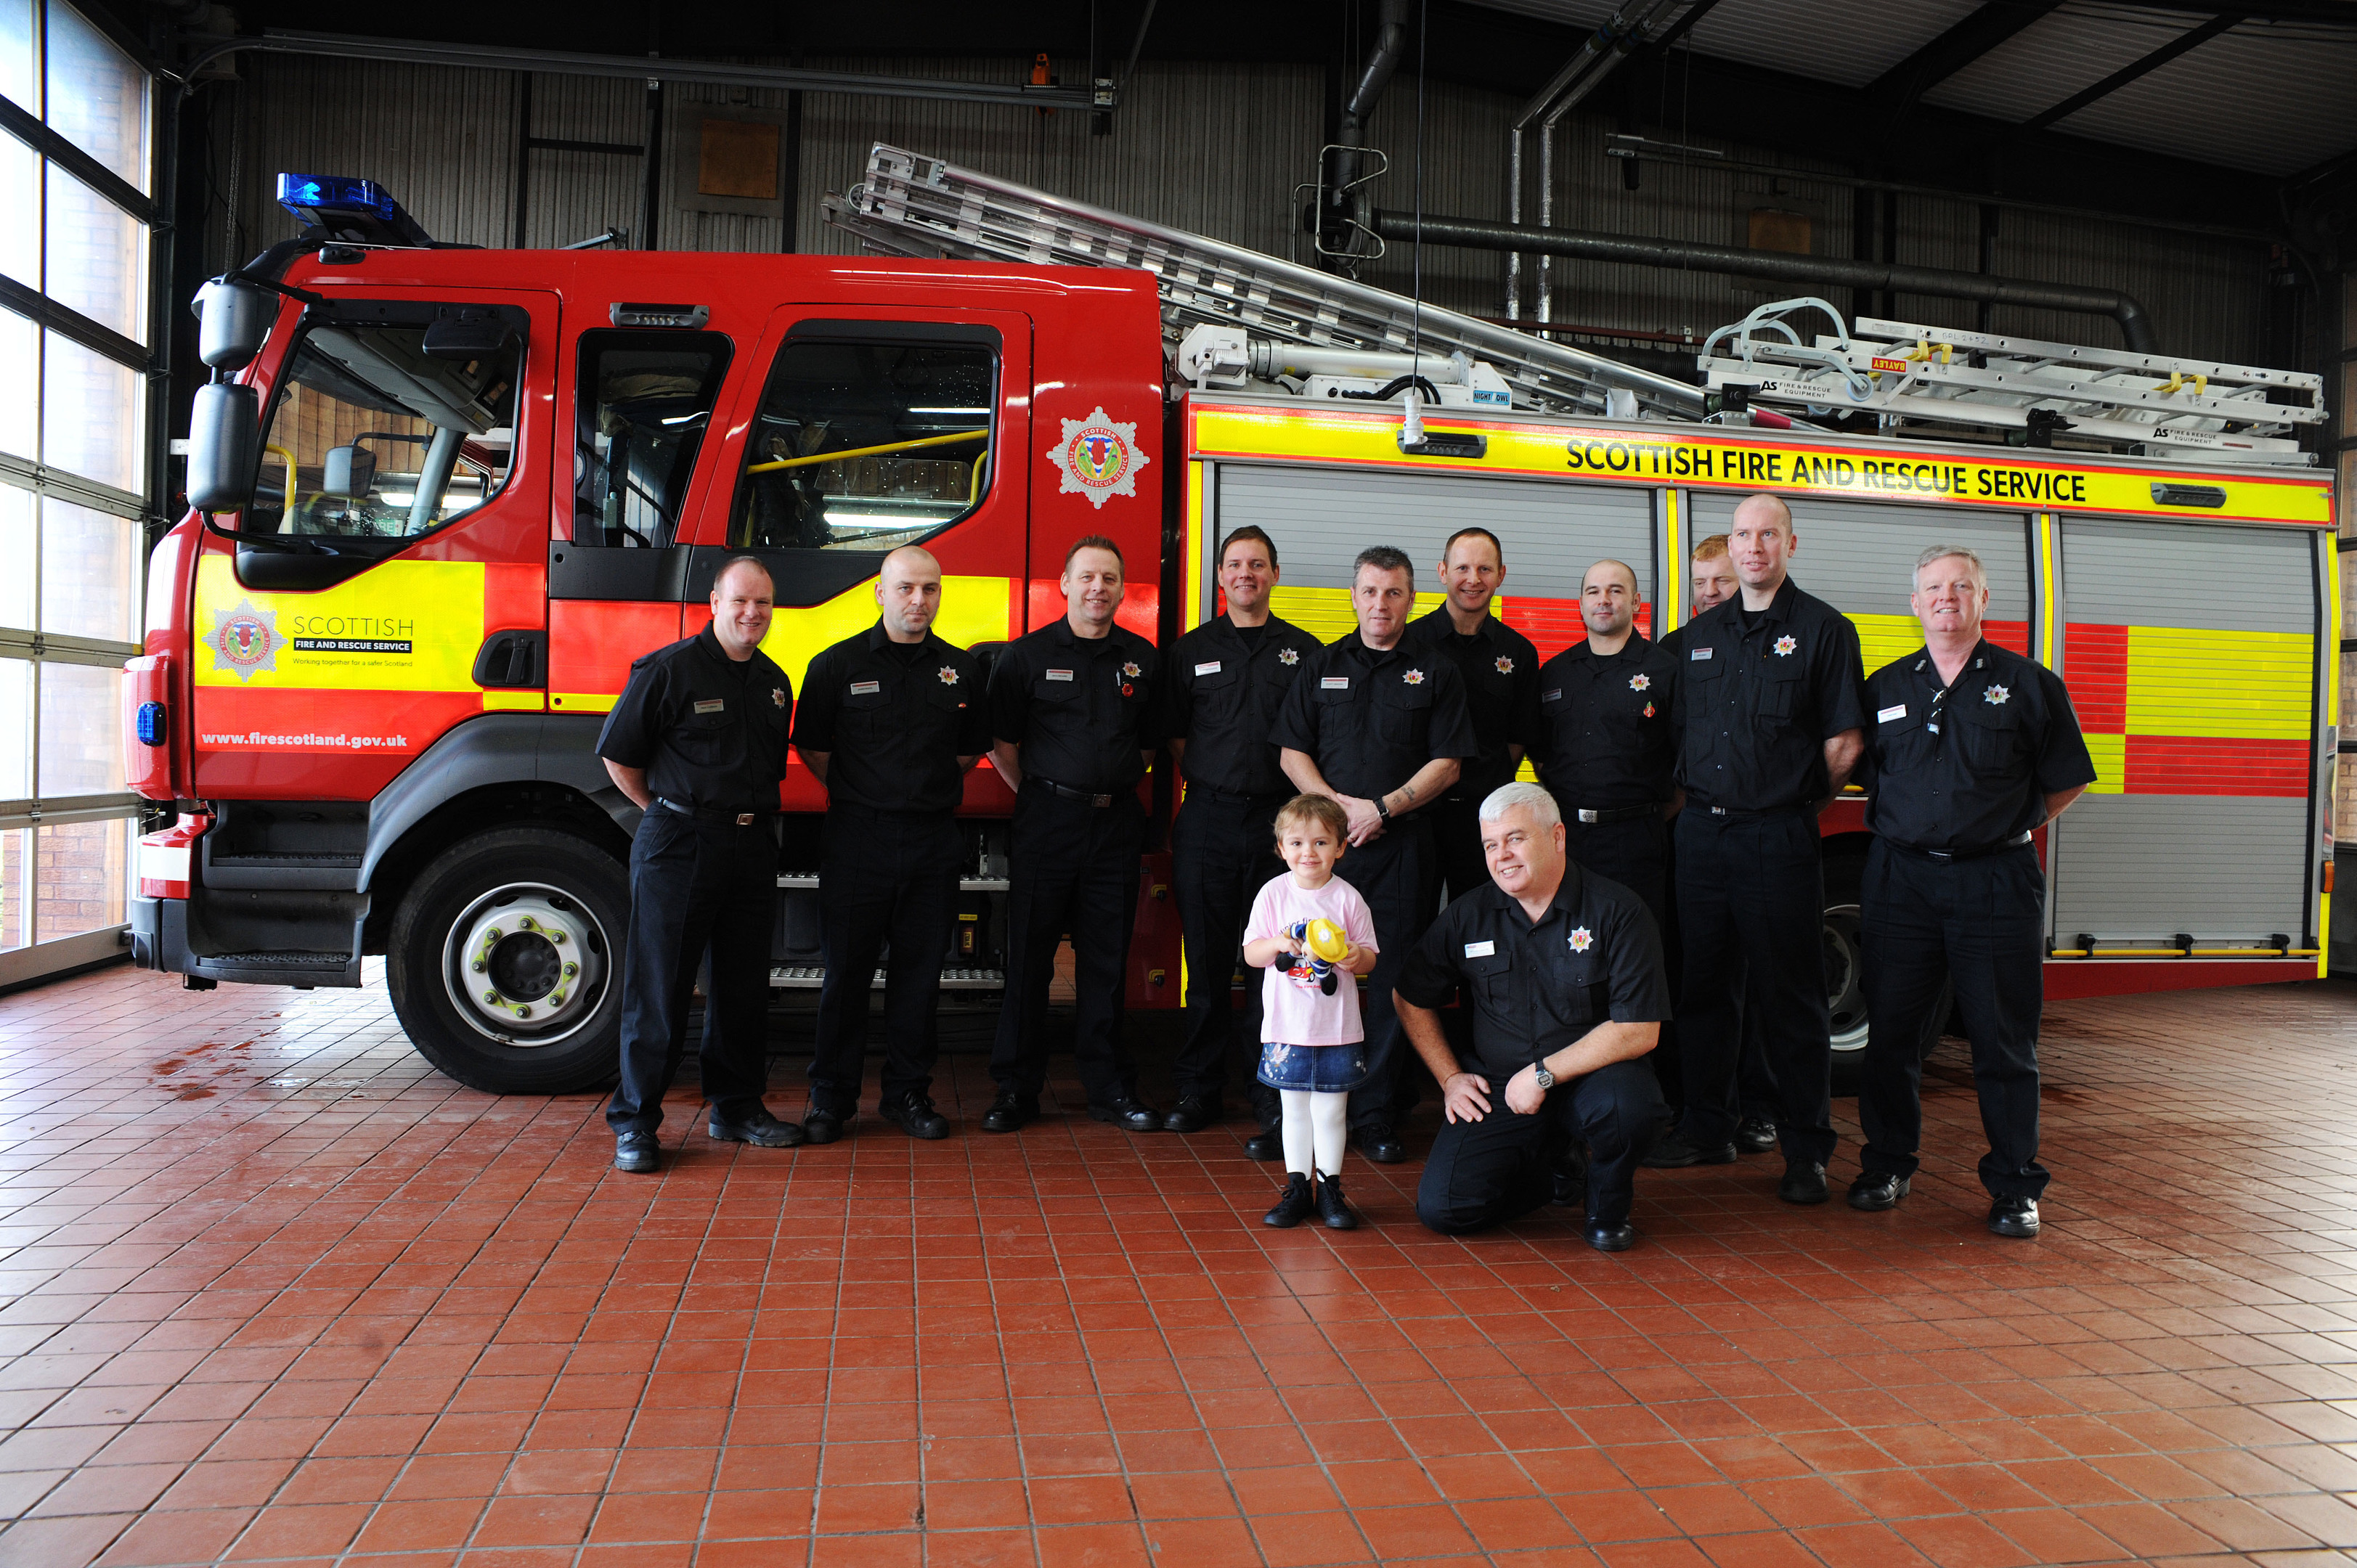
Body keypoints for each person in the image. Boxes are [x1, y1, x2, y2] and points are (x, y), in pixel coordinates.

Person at [1851, 546, 2093, 1238]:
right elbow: (1867, 772)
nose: (1946, 598)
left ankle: (2016, 1187)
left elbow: (2068, 776)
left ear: (1984, 600)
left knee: (2002, 1039)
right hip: (1901, 878)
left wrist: (2007, 826)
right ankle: (1887, 1164)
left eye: (1961, 587)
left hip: (1995, 879)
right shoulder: (1887, 686)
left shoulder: (2028, 684)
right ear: (1915, 602)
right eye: (1933, 588)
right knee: (1893, 1034)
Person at [1648, 494, 1866, 1206]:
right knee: (1704, 989)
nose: (1753, 546)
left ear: (1790, 546)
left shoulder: (1825, 630)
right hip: (1703, 836)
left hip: (1778, 835)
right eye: (1742, 534)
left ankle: (1807, 1149)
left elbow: (1843, 745)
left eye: (1767, 534)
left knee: (1791, 998)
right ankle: (1709, 1127)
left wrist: (1793, 805)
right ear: (1731, 547)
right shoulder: (1699, 638)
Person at [1395, 783, 1671, 1251]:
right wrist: (1449, 1079)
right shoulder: (1469, 915)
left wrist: (1543, 1075)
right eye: (1490, 844)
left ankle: (1607, 1209)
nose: (1502, 856)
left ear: (1558, 837)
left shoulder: (1618, 911)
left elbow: (1638, 1030)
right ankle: (1554, 1172)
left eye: (1515, 839)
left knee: (1628, 1110)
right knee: (1445, 1208)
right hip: (1500, 1084)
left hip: (1594, 1077)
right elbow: (1410, 995)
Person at [598, 555, 805, 1172]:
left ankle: (737, 1109)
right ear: (714, 601)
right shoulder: (669, 670)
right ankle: (636, 1123)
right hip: (680, 843)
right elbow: (619, 756)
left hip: (749, 845)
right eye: (740, 601)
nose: (752, 614)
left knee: (742, 988)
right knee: (660, 988)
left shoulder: (774, 681)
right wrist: (667, 811)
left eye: (763, 604)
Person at [1276, 546, 1478, 1164]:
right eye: (1369, 591)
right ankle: (1302, 1104)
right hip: (1325, 855)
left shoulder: (1437, 671)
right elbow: (1291, 752)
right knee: (1311, 973)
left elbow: (1448, 763)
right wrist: (1336, 811)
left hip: (1401, 850)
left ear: (1410, 598)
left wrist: (1382, 808)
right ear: (1354, 595)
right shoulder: (1321, 664)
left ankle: (1377, 1114)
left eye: (1393, 593)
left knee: (1389, 979)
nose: (1380, 604)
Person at [790, 546, 991, 1143]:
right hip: (858, 840)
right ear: (880, 592)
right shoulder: (835, 666)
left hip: (932, 842)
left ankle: (907, 1095)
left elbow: (968, 748)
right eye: (906, 588)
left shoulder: (960, 671)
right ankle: (831, 1100)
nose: (918, 601)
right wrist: (865, 795)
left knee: (919, 977)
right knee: (845, 977)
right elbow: (815, 749)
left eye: (929, 589)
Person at [983, 536, 1166, 1134]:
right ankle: (1016, 1089)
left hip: (1115, 825)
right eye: (1087, 577)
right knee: (1030, 961)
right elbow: (1002, 744)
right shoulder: (1024, 657)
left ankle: (1110, 1089)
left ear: (1121, 588)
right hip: (1047, 824)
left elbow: (1146, 746)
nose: (1098, 589)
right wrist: (1044, 793)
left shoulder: (1142, 659)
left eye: (1109, 579)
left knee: (1106, 963)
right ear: (1063, 584)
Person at [1164, 526, 1323, 1151]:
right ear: (1221, 576)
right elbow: (1177, 737)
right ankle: (1198, 1088)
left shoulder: (1306, 652)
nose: (1246, 574)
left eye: (1258, 564)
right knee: (1204, 964)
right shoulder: (1189, 651)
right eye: (1235, 564)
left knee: (1279, 969)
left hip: (1281, 832)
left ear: (1275, 575)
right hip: (1206, 819)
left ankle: (1271, 1096)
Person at [1661, 534, 1776, 1153]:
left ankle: (1759, 1106)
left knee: (1756, 976)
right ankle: (1703, 1107)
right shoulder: (1674, 651)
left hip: (1757, 831)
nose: (1709, 593)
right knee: (1699, 976)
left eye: (1722, 582)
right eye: (1701, 582)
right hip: (1692, 833)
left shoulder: (1773, 646)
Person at [1240, 794, 1380, 1229]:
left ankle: (1330, 1189)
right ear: (1281, 848)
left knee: (1332, 1112)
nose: (1309, 853)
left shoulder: (1348, 899)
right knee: (1294, 1109)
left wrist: (1354, 955)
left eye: (1321, 843)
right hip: (1287, 1028)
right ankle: (1298, 1187)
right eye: (1297, 843)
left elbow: (1371, 957)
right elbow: (1251, 953)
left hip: (1336, 1030)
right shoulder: (1273, 894)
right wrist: (1281, 944)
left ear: (1340, 847)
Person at [1531, 558, 1678, 923]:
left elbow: (1687, 758)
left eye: (1616, 590)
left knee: (1637, 947)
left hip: (1636, 840)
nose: (1604, 600)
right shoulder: (1555, 672)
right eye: (1594, 591)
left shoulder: (1666, 671)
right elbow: (1541, 752)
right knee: (1565, 944)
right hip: (1564, 839)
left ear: (1636, 602)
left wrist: (1655, 819)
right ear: (1581, 603)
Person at [1404, 528, 1540, 907]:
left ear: (1501, 575)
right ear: (1443, 572)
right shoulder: (1409, 643)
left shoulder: (1520, 652)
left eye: (1485, 568)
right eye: (1462, 567)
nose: (1473, 579)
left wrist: (1481, 780)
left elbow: (1518, 738)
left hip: (1488, 821)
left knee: (1484, 925)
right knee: (1413, 925)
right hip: (1418, 819)